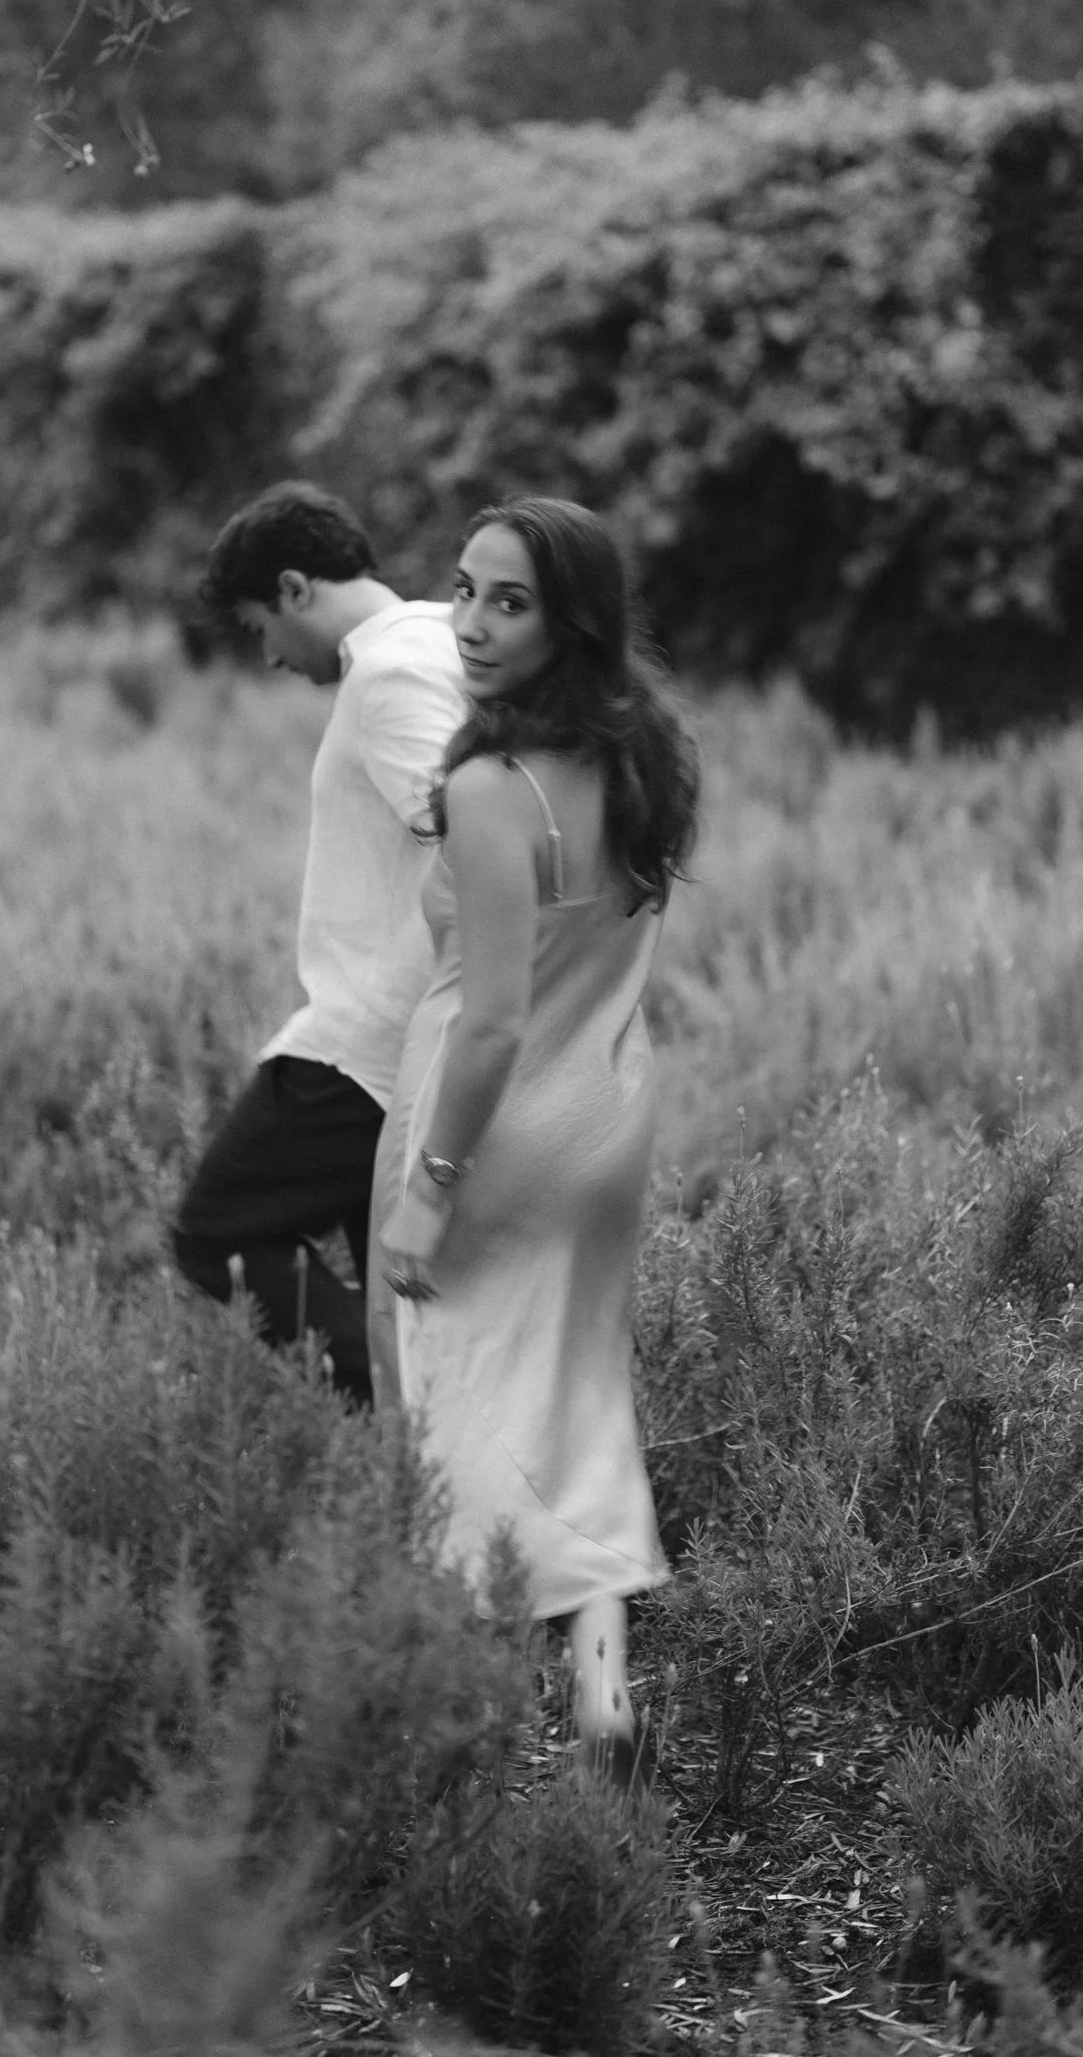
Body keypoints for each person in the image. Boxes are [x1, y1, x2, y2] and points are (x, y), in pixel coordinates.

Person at [371, 496, 700, 1776]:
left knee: (457, 1405)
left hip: (495, 1130)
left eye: (508, 602)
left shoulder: (492, 790)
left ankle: (444, 1718)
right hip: (608, 1124)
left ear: (571, 623)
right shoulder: (643, 756)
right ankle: (604, 1695)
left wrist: (429, 1189)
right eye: (462, 591)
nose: (470, 623)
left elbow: (493, 1023)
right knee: (573, 1394)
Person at [172, 481, 465, 1406]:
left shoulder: (392, 673)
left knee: (214, 1232)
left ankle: (407, 1421)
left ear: (296, 588)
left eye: (260, 626)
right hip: (401, 1039)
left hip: (368, 1045)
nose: (267, 657)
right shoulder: (436, 641)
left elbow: (478, 845)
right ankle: (421, 1482)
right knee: (396, 1290)